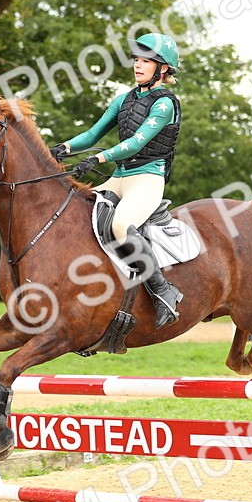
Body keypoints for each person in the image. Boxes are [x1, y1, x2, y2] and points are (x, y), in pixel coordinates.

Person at [52, 32, 184, 327]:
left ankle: (164, 292)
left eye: (146, 61)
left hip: (147, 179)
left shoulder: (165, 105)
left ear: (162, 69)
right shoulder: (124, 99)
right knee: (73, 209)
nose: (138, 65)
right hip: (119, 177)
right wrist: (64, 148)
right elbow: (92, 134)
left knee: (121, 225)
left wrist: (97, 159)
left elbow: (137, 143)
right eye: (137, 59)